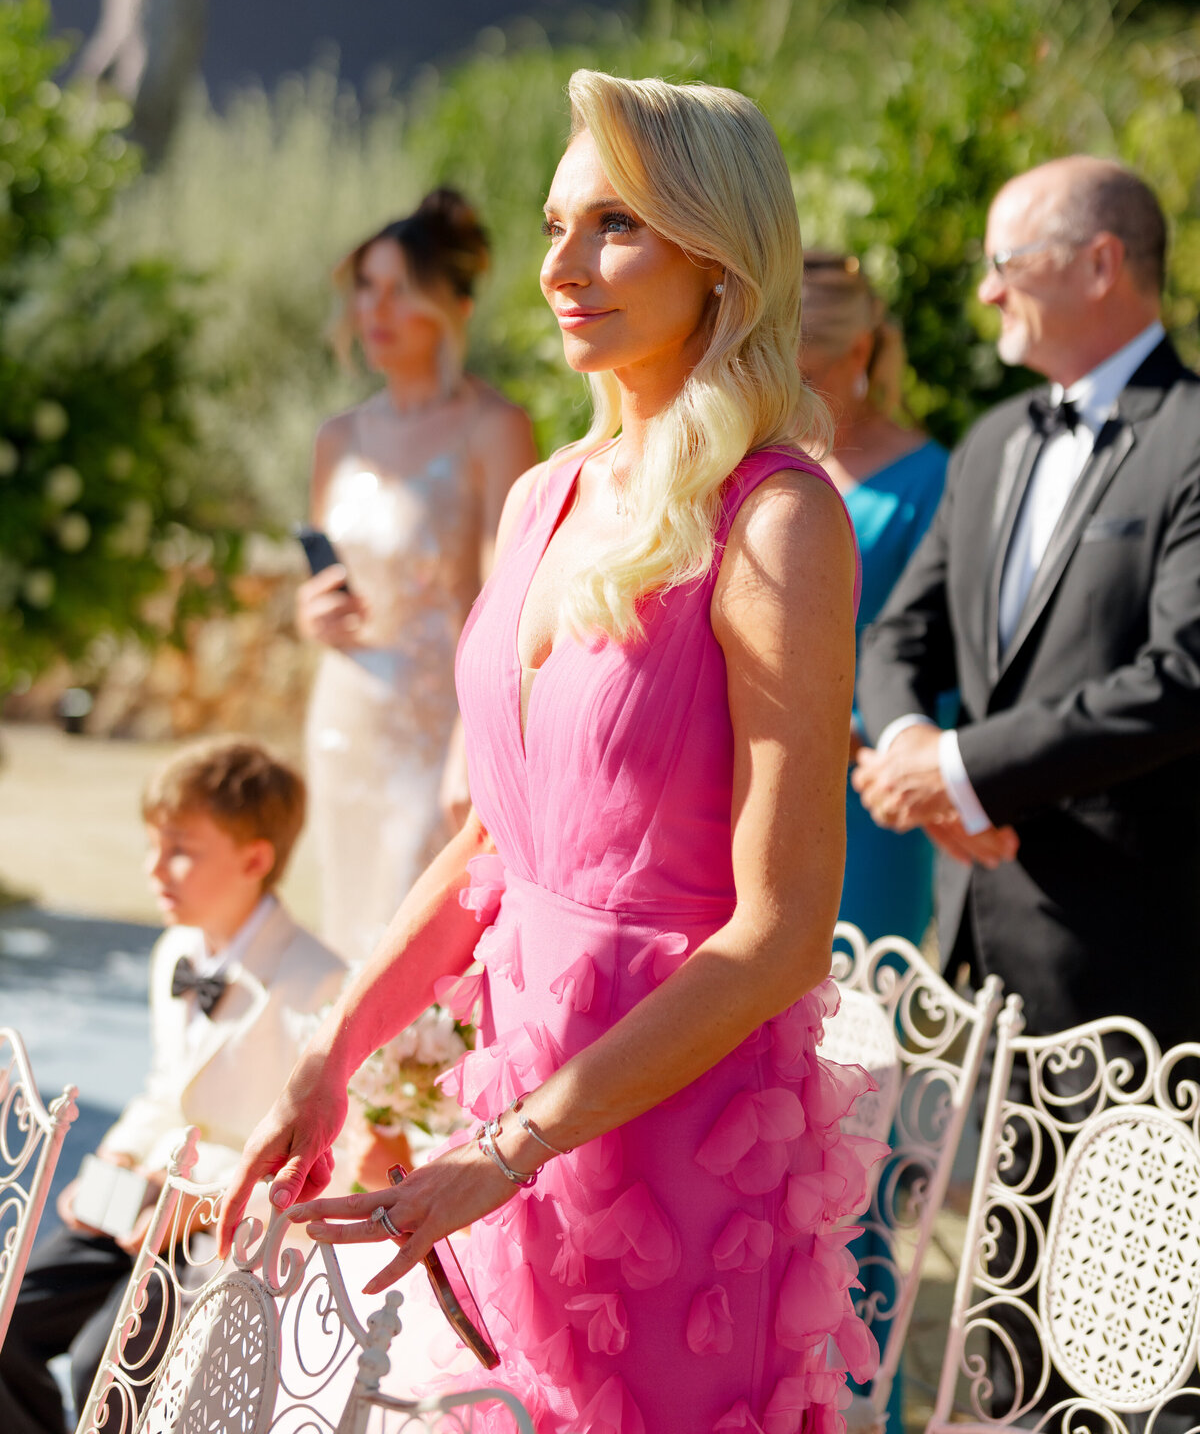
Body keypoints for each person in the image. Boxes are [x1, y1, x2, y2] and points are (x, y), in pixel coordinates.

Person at [219, 71, 885, 1434]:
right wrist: (333, 1054)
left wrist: (511, 1149)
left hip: (681, 1135)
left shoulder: (778, 523)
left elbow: (783, 935)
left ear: (719, 256)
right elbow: (489, 847)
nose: (561, 268)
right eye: (555, 225)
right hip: (512, 1100)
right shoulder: (543, 496)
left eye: (616, 229)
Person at [853, 156, 1200, 1052]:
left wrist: (963, 772)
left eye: (1007, 262)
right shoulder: (993, 441)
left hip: (1138, 951)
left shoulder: (1191, 437)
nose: (987, 290)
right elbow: (900, 636)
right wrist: (914, 758)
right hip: (982, 943)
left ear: (1099, 264)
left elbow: (1183, 679)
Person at [0, 738, 346, 1434]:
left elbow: (317, 1152)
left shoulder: (321, 981)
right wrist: (114, 1164)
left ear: (255, 860)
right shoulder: (177, 953)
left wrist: (195, 1201)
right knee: (9, 1320)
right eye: (154, 845)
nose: (153, 868)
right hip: (139, 1200)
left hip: (221, 1229)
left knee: (108, 1364)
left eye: (180, 848)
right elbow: (167, 1087)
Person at [300, 188, 536, 965]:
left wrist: (475, 738)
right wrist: (314, 616)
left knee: (423, 953)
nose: (377, 308)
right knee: (348, 934)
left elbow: (514, 595)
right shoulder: (336, 439)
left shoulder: (495, 429)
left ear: (452, 304)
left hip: (443, 730)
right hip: (344, 722)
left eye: (401, 288)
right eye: (367, 286)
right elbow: (327, 581)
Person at [802, 252, 947, 946]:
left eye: (804, 371)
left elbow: (946, 655)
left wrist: (862, 732)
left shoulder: (929, 480)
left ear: (858, 350)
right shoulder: (754, 464)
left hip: (866, 792)